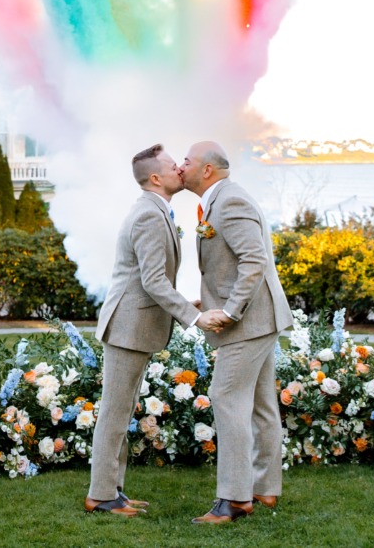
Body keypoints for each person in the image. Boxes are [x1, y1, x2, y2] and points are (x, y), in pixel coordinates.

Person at [85, 144, 227, 517]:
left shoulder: (157, 210)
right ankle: (100, 495)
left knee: (121, 410)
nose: (180, 169)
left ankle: (113, 490)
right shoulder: (149, 215)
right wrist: (193, 317)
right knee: (115, 413)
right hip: (127, 328)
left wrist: (187, 303)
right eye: (171, 166)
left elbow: (154, 279)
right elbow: (151, 281)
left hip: (135, 326)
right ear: (155, 178)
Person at [179, 140, 291, 525]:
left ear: (207, 169)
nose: (181, 166)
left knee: (225, 397)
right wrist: (206, 299)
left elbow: (254, 259)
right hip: (259, 319)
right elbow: (227, 264)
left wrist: (228, 311)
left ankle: (234, 499)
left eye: (187, 161)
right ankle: (265, 488)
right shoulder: (218, 200)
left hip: (248, 322)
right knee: (260, 405)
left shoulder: (229, 201)